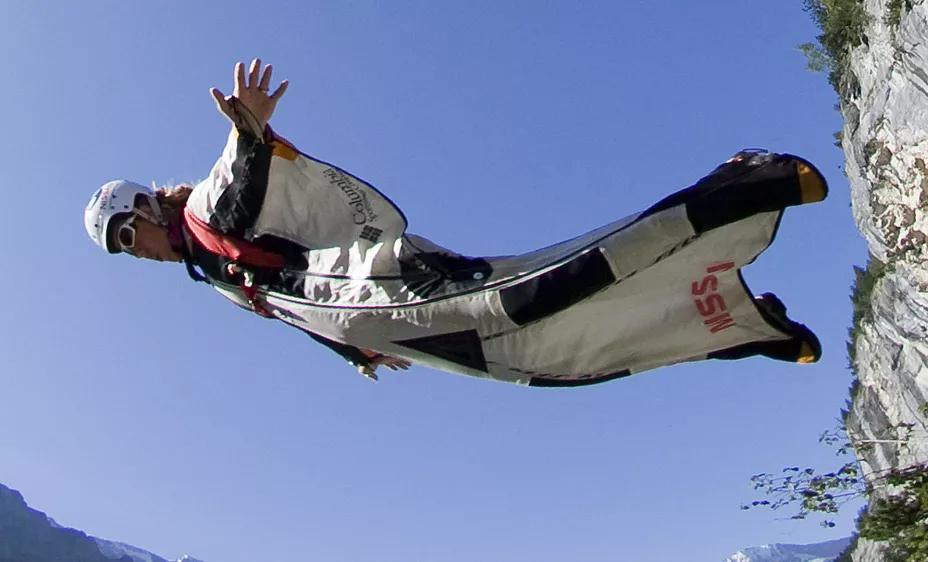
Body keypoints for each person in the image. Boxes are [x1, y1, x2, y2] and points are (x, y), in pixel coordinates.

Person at [85, 59, 827, 386]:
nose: (136, 250)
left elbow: (240, 187)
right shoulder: (204, 270)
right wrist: (354, 356)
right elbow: (278, 302)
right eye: (124, 250)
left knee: (528, 296)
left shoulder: (205, 221)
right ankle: (733, 322)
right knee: (535, 360)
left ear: (145, 206)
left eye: (128, 232)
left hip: (383, 286)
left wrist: (249, 133)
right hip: (368, 320)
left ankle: (735, 189)